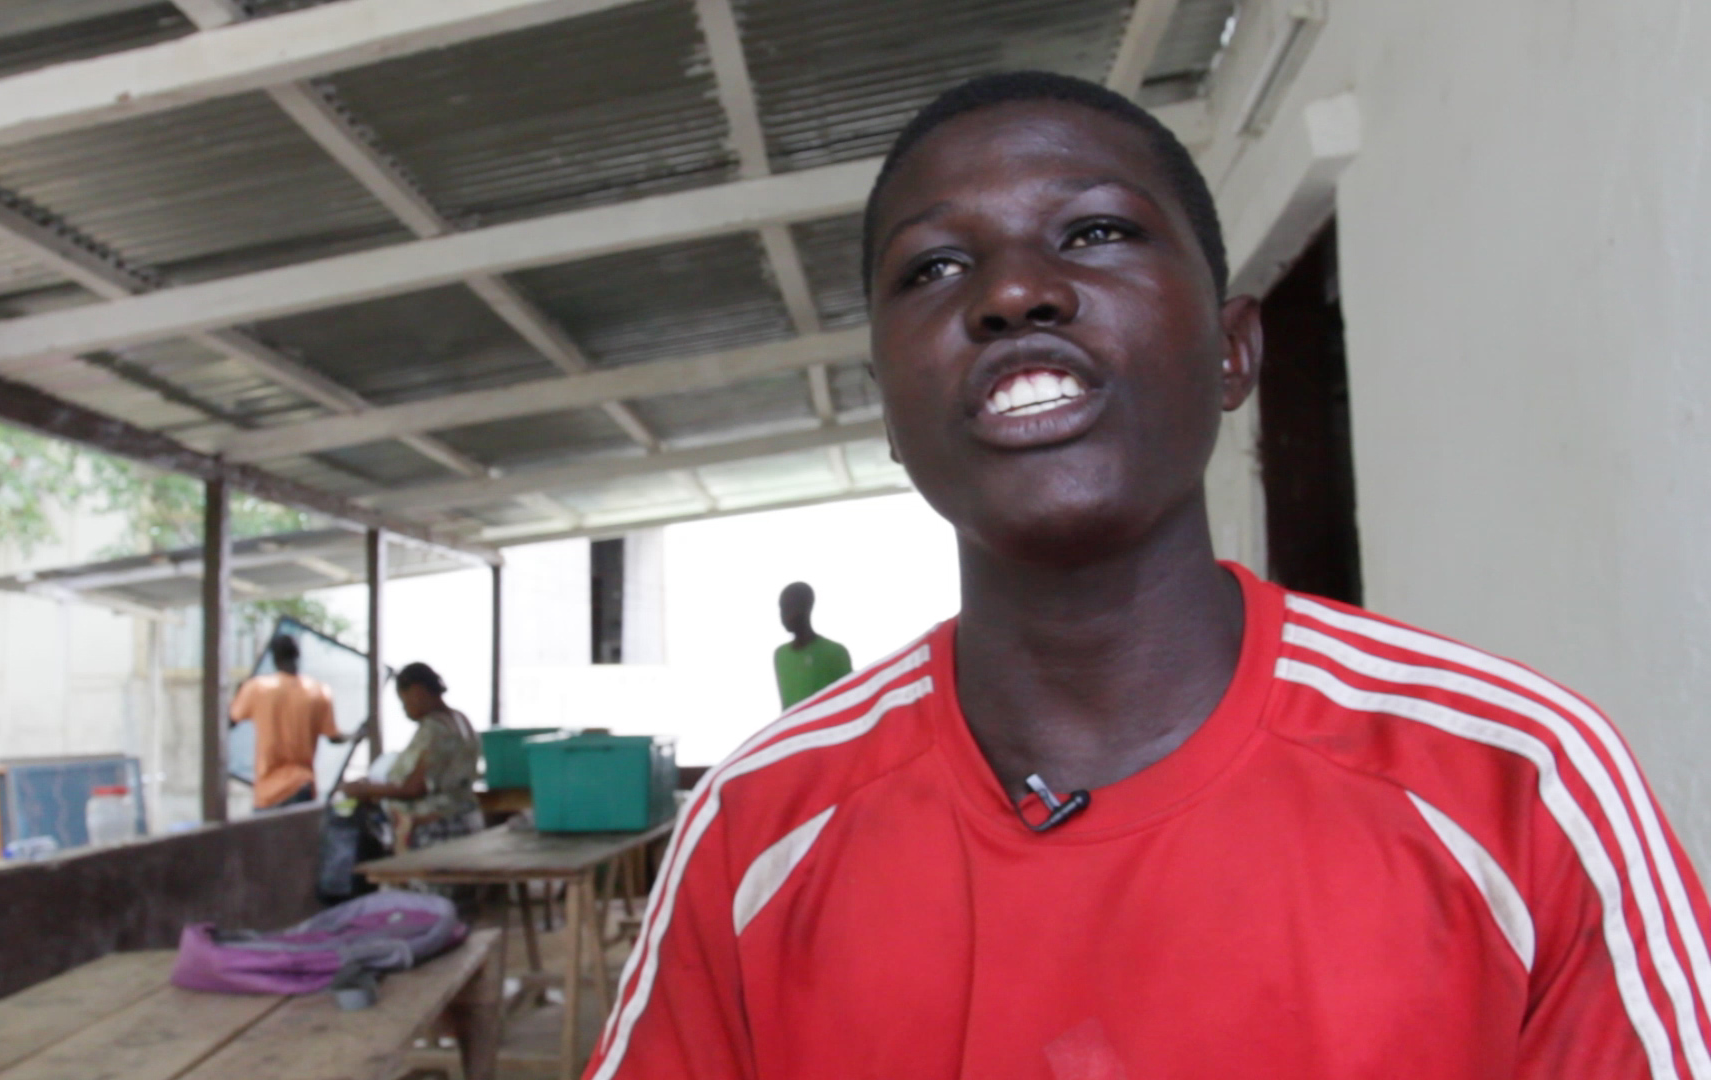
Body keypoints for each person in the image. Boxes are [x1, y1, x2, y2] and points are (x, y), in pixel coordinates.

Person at [586, 72, 1711, 1080]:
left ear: (1234, 352)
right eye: (936, 266)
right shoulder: (757, 826)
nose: (1015, 293)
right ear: (886, 405)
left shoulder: (1520, 785)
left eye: (1096, 233)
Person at [340, 662, 482, 849]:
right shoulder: (460, 719)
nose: (405, 709)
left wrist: (366, 790)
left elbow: (414, 788)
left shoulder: (434, 728)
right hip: (466, 818)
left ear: (418, 690)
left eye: (405, 700)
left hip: (439, 828)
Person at [230, 633, 341, 811]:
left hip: (267, 792)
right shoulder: (319, 691)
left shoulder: (257, 688)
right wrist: (357, 734)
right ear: (298, 655)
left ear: (274, 658)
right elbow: (335, 737)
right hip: (301, 785)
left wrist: (238, 694)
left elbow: (230, 721)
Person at [772, 581, 854, 709]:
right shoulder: (781, 655)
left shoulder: (835, 652)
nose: (783, 616)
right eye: (782, 609)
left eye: (789, 607)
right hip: (797, 728)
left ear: (806, 608)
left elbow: (850, 699)